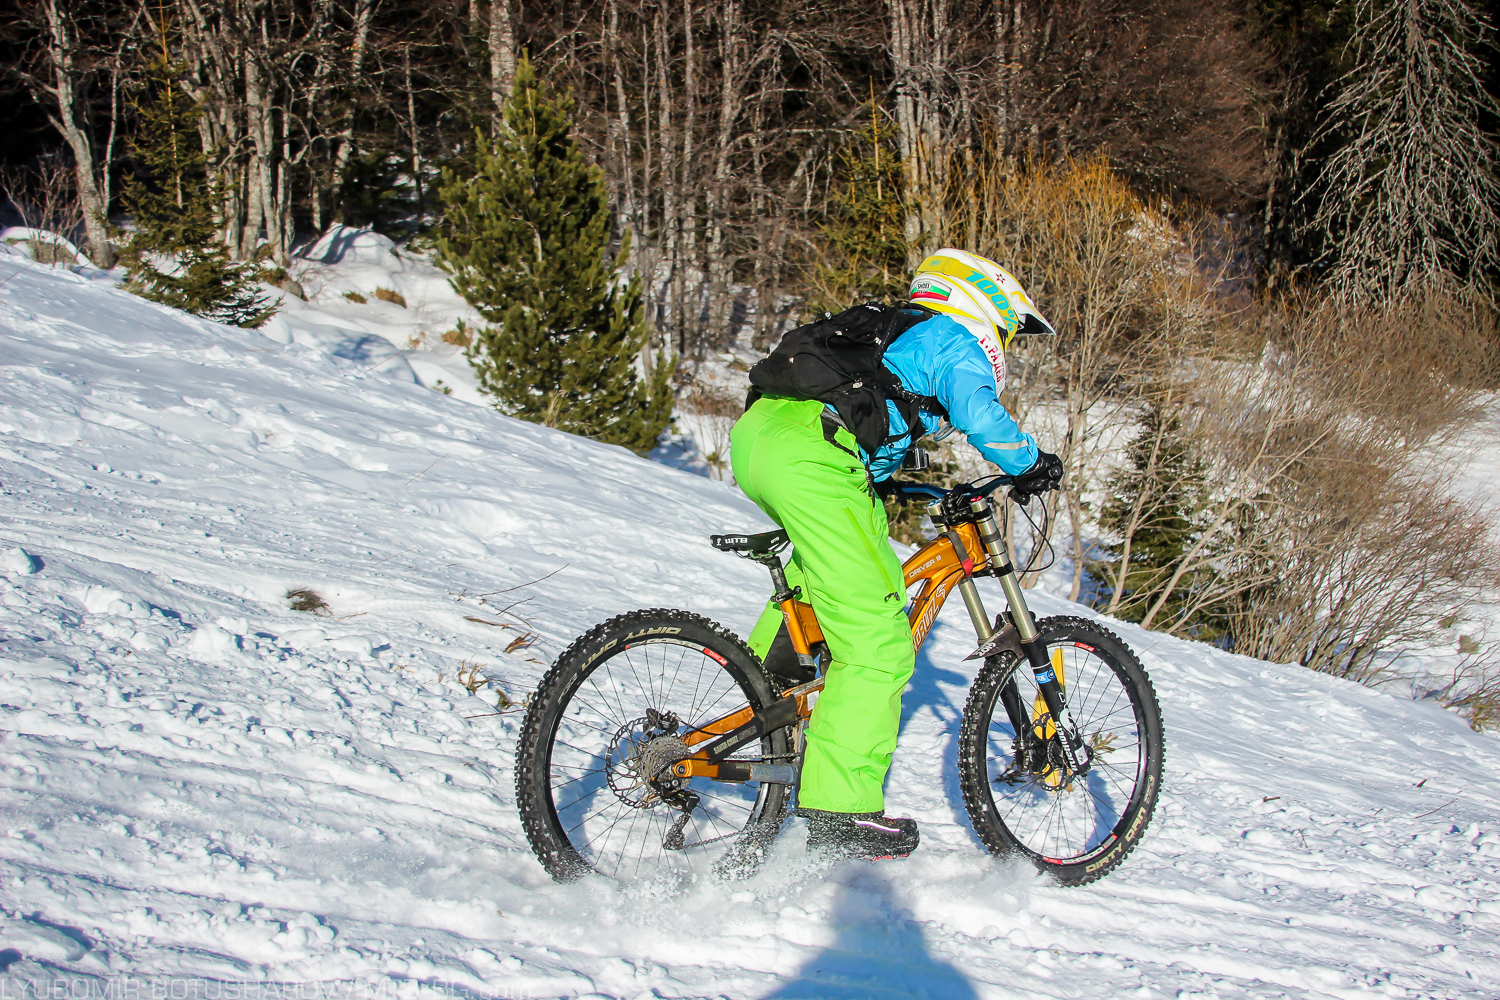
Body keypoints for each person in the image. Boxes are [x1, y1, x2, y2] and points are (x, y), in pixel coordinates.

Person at [729, 248, 1064, 860]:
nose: (1006, 346)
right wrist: (1030, 463)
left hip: (762, 439)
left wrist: (892, 480)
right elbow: (978, 412)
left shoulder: (891, 332)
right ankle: (840, 810)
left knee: (830, 577)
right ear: (986, 305)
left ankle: (768, 695)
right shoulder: (952, 337)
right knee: (880, 645)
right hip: (812, 454)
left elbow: (868, 411)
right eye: (1010, 331)